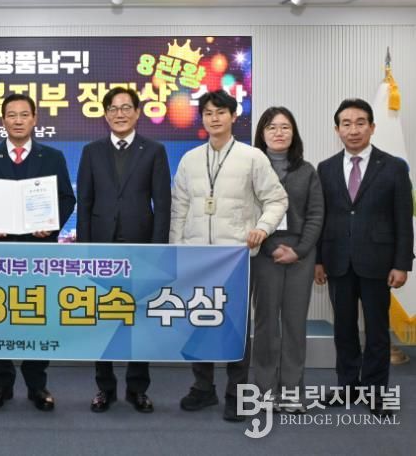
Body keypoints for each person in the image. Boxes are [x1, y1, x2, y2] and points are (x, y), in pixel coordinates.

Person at [169, 89, 287, 422]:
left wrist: (262, 228)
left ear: (234, 116)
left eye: (221, 112)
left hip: (236, 259)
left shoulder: (252, 157)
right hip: (197, 259)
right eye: (208, 113)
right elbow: (179, 209)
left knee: (235, 327)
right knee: (199, 323)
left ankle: (237, 393)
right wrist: (176, 251)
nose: (214, 118)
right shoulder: (190, 159)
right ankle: (203, 387)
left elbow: (277, 200)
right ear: (202, 118)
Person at [0, 93, 76, 411]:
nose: (17, 120)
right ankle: (1, 383)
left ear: (34, 119)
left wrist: (51, 226)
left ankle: (37, 385)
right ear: (2, 120)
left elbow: (67, 198)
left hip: (38, 251)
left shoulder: (52, 157)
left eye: (24, 114)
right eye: (11, 115)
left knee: (36, 316)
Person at [314, 98, 413, 416]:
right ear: (337, 129)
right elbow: (321, 218)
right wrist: (318, 260)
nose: (353, 129)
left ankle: (376, 392)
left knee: (377, 331)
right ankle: (347, 387)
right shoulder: (326, 168)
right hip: (337, 261)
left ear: (372, 127)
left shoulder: (394, 167)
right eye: (346, 123)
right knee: (343, 330)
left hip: (379, 263)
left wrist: (402, 263)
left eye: (360, 123)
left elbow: (403, 219)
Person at [77, 87, 171, 413]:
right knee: (101, 320)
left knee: (138, 321)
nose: (120, 114)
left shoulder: (154, 151)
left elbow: (163, 204)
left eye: (126, 108)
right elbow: (85, 203)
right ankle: (104, 388)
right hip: (101, 249)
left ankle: (137, 389)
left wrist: (158, 249)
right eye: (113, 109)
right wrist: (84, 251)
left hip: (140, 249)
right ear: (105, 115)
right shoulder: (91, 151)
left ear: (137, 113)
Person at [251, 107, 323, 413]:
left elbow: (316, 215)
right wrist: (269, 247)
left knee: (294, 325)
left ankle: (291, 392)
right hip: (263, 252)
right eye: (271, 127)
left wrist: (300, 250)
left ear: (294, 133)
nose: (278, 133)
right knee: (265, 324)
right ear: (262, 133)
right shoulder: (251, 167)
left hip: (300, 256)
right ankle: (265, 391)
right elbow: (247, 213)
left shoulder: (307, 171)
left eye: (285, 127)